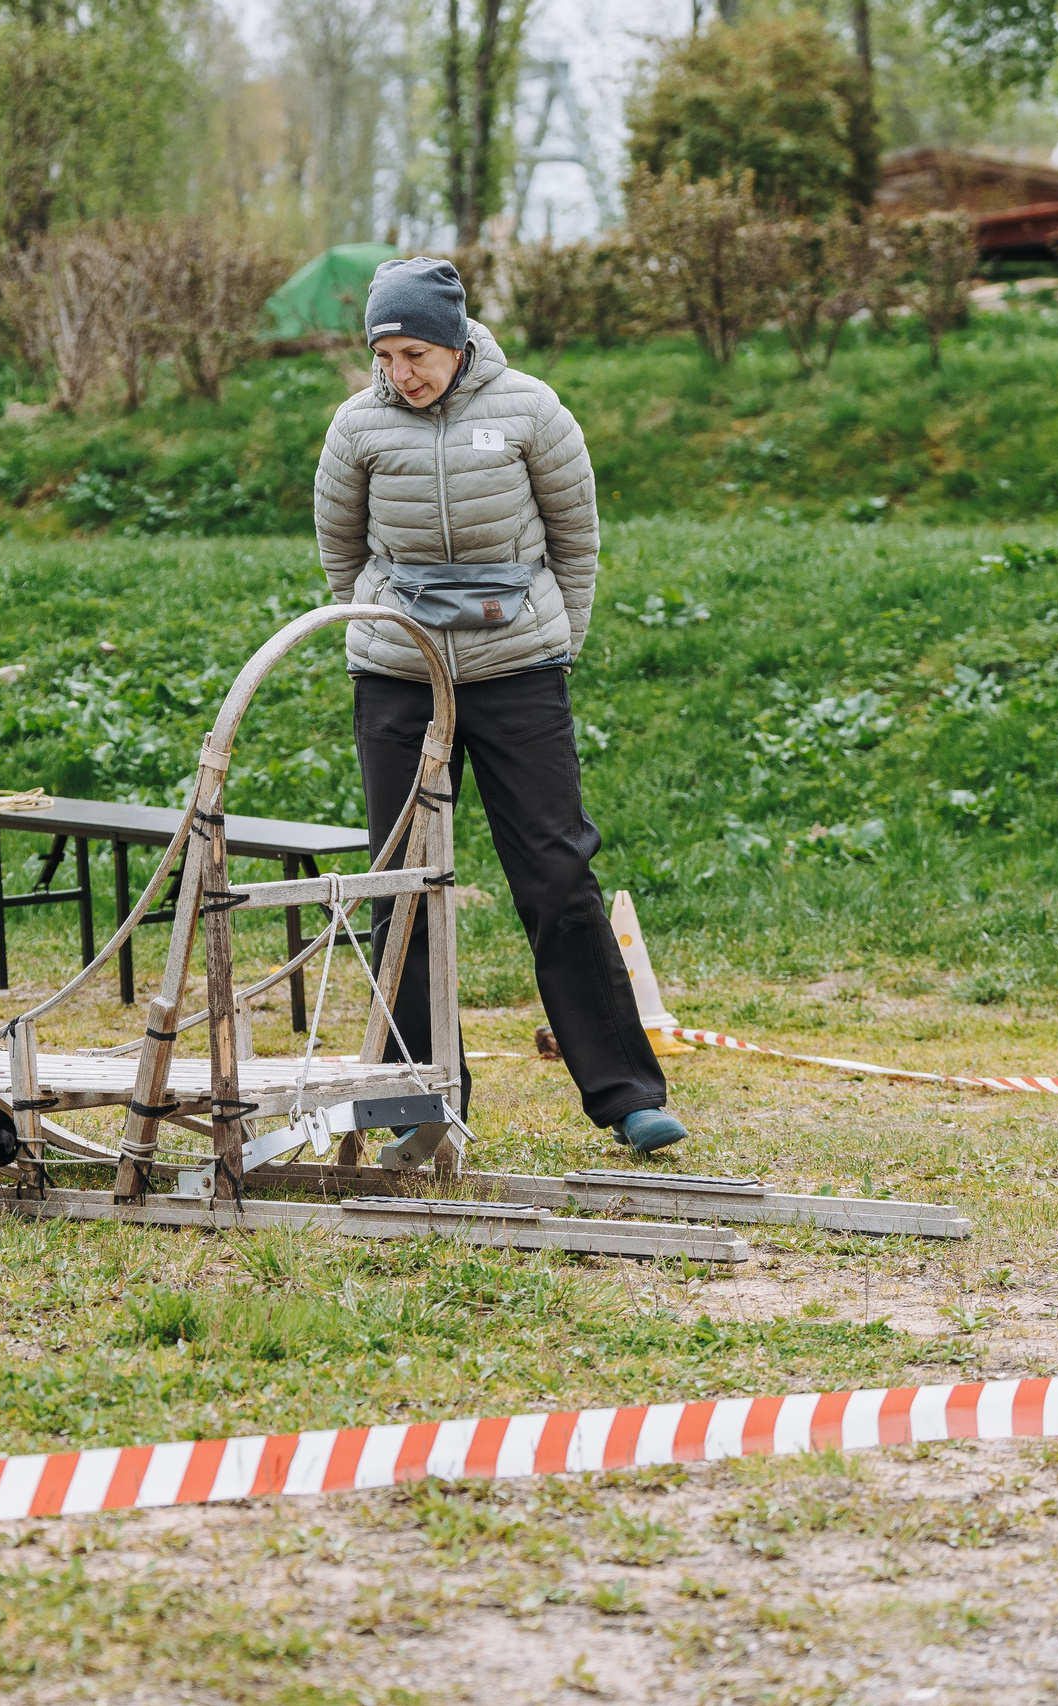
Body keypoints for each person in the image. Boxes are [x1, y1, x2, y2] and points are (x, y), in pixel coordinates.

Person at [312, 256, 686, 1155]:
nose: (401, 373)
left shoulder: (532, 410)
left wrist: (555, 643)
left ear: (453, 341)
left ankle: (628, 1096)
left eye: (415, 353)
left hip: (518, 670)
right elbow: (340, 551)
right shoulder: (356, 425)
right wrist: (383, 634)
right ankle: (419, 1102)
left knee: (557, 875)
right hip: (399, 675)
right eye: (385, 355)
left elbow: (576, 541)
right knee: (400, 883)